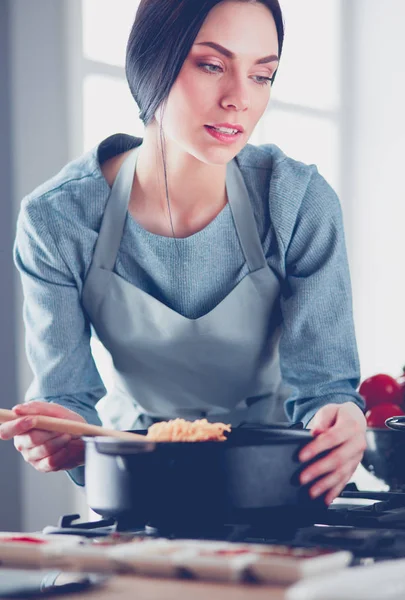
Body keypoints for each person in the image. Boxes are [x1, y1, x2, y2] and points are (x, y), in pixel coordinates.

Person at [1, 0, 367, 505]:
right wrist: (59, 428)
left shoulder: (297, 200)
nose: (240, 99)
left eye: (263, 75)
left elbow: (326, 387)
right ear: (152, 61)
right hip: (144, 482)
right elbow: (66, 398)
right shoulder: (57, 219)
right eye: (212, 65)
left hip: (283, 477)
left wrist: (342, 417)